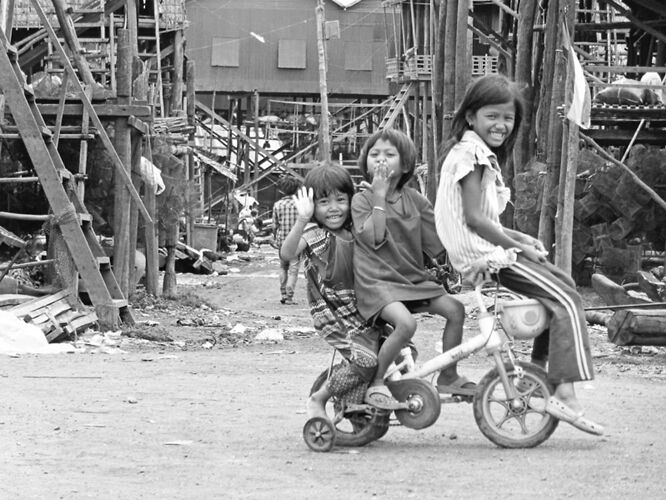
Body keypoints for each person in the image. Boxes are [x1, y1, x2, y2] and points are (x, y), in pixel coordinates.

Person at [434, 74, 603, 436]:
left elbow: (483, 218)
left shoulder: (470, 152)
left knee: (564, 284)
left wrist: (521, 237)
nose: (501, 125)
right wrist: (520, 247)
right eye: (492, 116)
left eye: (508, 118)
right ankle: (565, 393)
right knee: (569, 301)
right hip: (485, 255)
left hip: (488, 249)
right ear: (471, 117)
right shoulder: (473, 155)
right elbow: (475, 220)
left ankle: (537, 373)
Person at [352, 128, 471, 408]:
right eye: (374, 154)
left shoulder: (415, 200)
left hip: (410, 280)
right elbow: (374, 236)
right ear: (365, 163)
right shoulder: (362, 199)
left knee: (456, 310)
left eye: (389, 154)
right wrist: (379, 196)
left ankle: (449, 376)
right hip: (376, 282)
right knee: (406, 324)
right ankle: (377, 382)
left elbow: (440, 241)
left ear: (405, 165)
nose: (380, 160)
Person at [280, 164, 381, 422]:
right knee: (366, 361)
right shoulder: (314, 233)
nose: (333, 208)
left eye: (340, 200)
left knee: (397, 351)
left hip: (362, 311)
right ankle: (320, 398)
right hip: (332, 315)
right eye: (324, 202)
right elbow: (287, 254)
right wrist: (302, 218)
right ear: (313, 205)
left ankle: (356, 408)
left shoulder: (355, 230)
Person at [272, 175, 302, 304]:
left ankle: (283, 294)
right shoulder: (301, 205)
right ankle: (289, 297)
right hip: (297, 242)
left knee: (283, 267)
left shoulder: (278, 205)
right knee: (294, 270)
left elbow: (275, 225)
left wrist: (275, 238)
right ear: (297, 190)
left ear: (282, 190)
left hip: (282, 241)